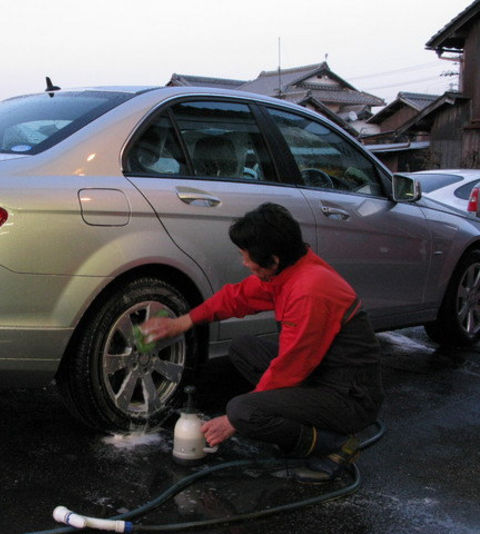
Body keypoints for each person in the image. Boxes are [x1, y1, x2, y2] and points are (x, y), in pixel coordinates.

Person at [141, 202, 383, 482]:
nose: (245, 263)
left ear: (273, 260)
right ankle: (297, 428)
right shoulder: (291, 270)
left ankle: (334, 446)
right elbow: (238, 297)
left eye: (248, 258)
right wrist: (184, 322)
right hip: (323, 376)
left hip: (350, 398)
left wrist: (233, 421)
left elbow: (290, 368)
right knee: (243, 347)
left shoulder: (309, 290)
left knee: (243, 411)